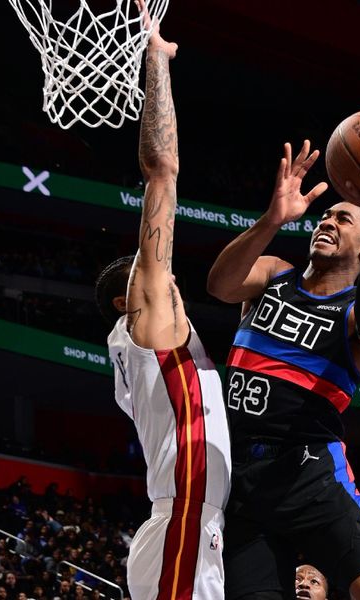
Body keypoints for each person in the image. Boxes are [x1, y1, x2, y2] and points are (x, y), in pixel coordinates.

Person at [208, 140, 360, 599]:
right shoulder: (271, 275)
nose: (327, 221)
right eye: (325, 216)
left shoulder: (354, 312)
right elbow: (219, 285)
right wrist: (271, 220)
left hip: (308, 471)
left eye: (343, 219)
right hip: (239, 477)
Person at [95, 4, 230, 598]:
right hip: (182, 523)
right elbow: (161, 171)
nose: (173, 283)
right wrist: (157, 59)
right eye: (161, 280)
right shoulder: (148, 324)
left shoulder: (152, 347)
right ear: (137, 300)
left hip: (190, 526)